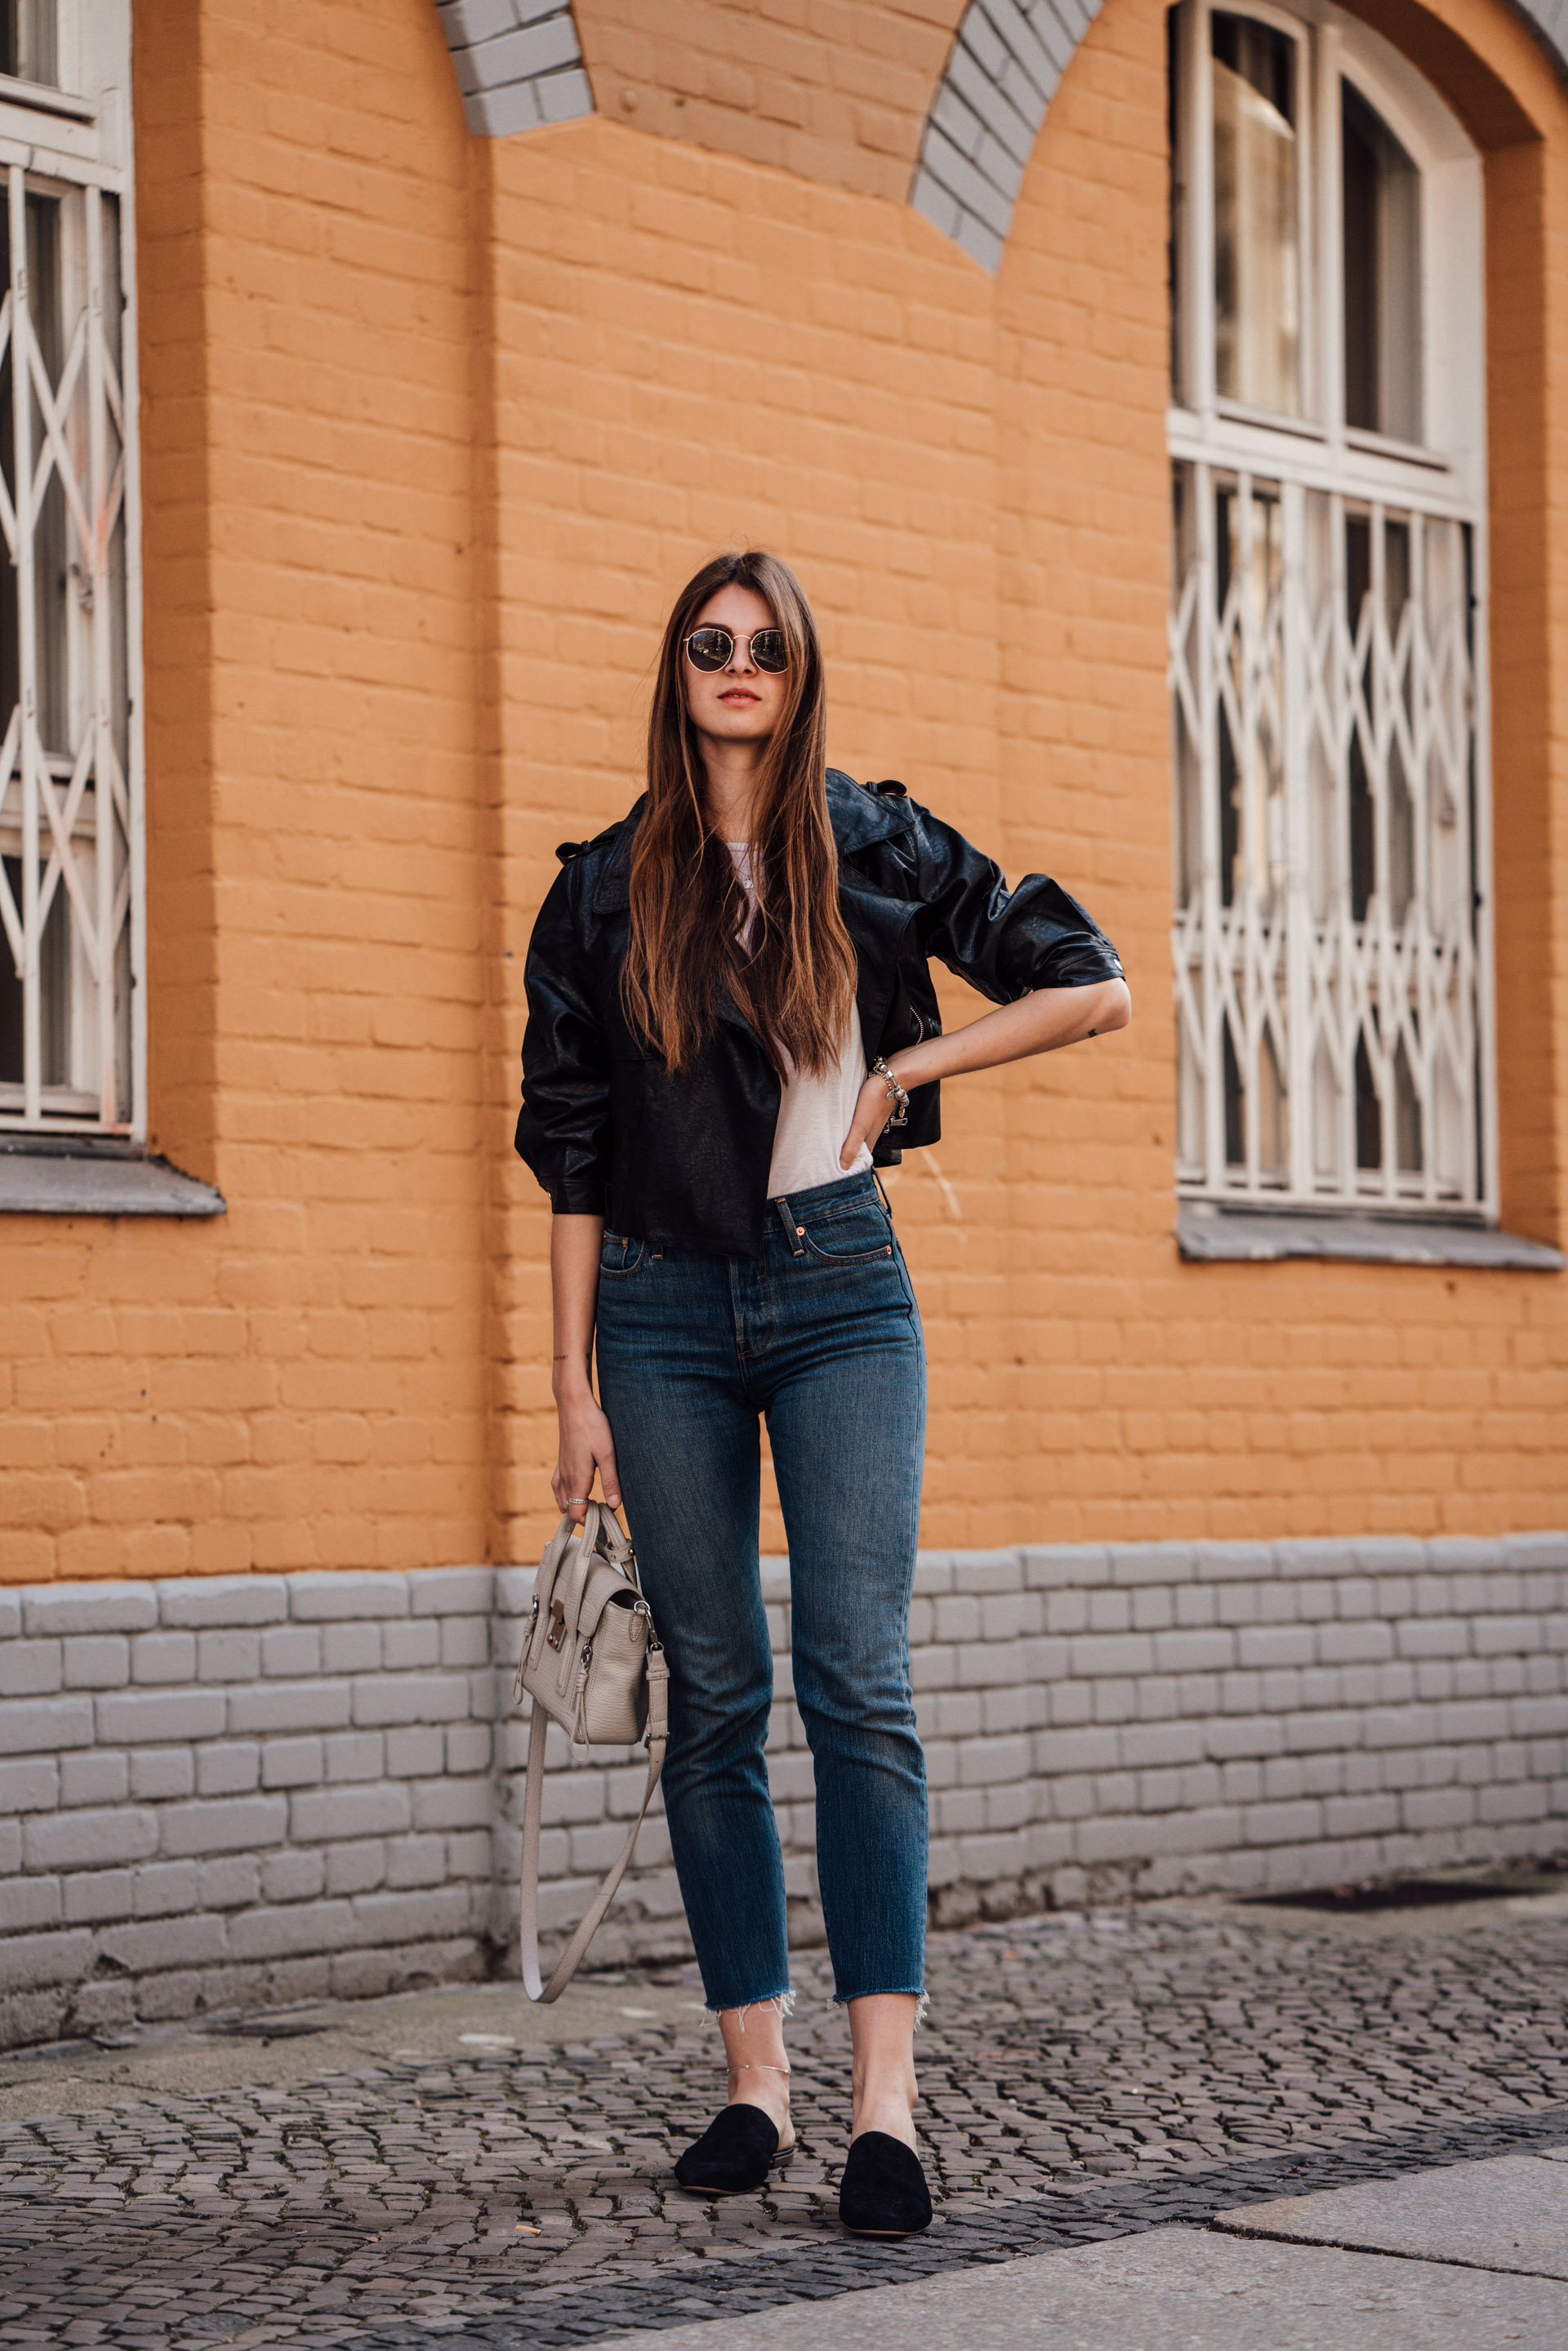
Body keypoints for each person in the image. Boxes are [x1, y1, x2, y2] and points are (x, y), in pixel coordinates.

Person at [515, 550, 1129, 2236]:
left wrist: (915, 1066)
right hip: (652, 1311)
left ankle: (883, 2109)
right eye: (709, 646)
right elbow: (569, 1159)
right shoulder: (600, 889)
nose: (736, 667)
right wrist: (567, 1392)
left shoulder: (877, 841)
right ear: (679, 672)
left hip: (844, 1294)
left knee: (861, 1684)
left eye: (764, 647)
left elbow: (1094, 984)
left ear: (798, 674)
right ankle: (754, 2087)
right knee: (715, 1696)